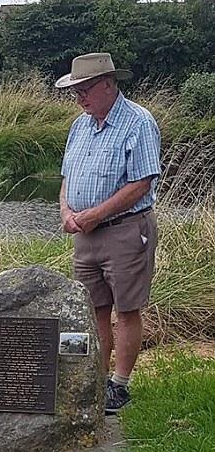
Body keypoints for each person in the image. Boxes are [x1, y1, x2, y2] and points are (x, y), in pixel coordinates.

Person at [56, 52, 161, 414]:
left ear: (107, 84)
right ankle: (98, 382)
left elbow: (142, 182)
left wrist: (95, 215)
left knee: (127, 309)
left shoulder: (138, 122)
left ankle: (120, 385)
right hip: (85, 234)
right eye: (76, 92)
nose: (80, 98)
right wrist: (67, 211)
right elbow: (68, 177)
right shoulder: (79, 126)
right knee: (94, 309)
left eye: (85, 90)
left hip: (125, 230)